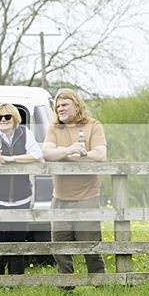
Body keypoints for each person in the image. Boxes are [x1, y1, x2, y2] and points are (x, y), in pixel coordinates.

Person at [42, 88, 107, 275]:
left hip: (87, 195)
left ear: (76, 105)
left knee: (91, 245)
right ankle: (66, 285)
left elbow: (100, 155)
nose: (60, 109)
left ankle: (99, 282)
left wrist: (64, 156)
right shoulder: (54, 128)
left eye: (64, 105)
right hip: (60, 196)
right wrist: (70, 150)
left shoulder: (93, 125)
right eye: (58, 106)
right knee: (59, 246)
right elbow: (47, 153)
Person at [0, 104, 44, 275]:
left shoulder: (25, 133)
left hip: (21, 198)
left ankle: (16, 281)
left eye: (7, 116)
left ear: (15, 119)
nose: (3, 120)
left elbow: (37, 156)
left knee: (17, 240)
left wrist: (11, 159)